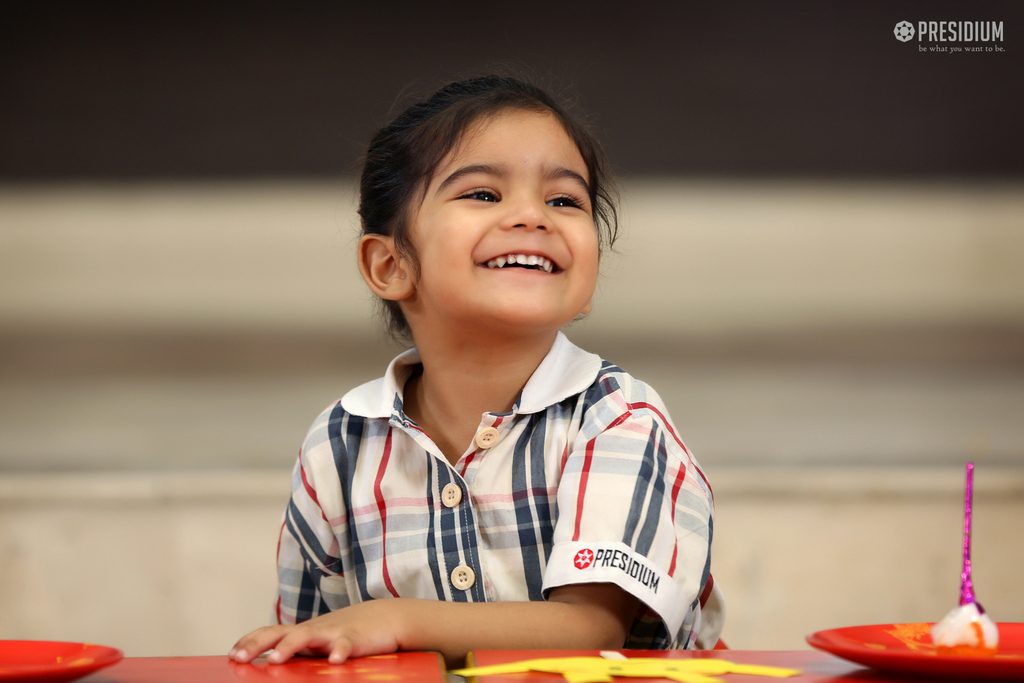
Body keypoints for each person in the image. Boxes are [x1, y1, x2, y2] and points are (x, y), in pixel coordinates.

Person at [229, 75, 724, 668]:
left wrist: (392, 618)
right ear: (389, 264)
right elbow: (315, 648)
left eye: (564, 200)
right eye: (483, 195)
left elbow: (589, 629)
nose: (532, 216)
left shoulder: (619, 420)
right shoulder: (338, 447)